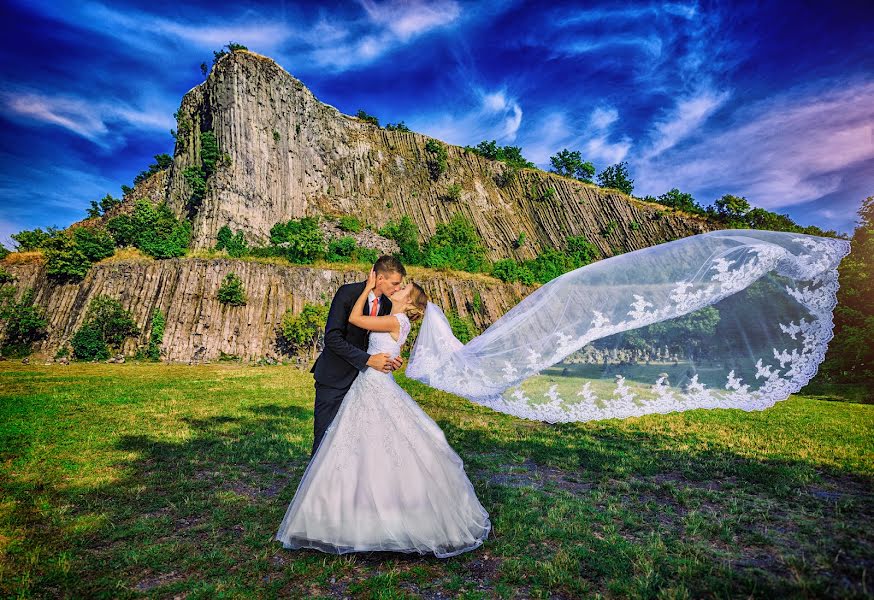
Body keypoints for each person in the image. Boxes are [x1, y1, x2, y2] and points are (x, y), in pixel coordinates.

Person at [276, 269, 491, 558]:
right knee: (362, 444)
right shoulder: (398, 320)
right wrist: (389, 357)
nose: (398, 289)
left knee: (365, 446)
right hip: (366, 380)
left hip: (372, 383)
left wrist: (366, 288)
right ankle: (343, 510)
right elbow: (350, 337)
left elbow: (355, 321)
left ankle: (349, 518)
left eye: (403, 290)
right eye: (397, 285)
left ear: (409, 304)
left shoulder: (393, 316)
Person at [309, 255, 405, 457]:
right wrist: (369, 360)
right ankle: (317, 487)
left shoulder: (387, 305)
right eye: (395, 283)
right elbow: (333, 338)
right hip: (334, 378)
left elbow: (376, 342)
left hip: (364, 384)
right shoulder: (348, 293)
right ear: (380, 278)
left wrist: (390, 359)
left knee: (354, 442)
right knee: (325, 437)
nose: (397, 288)